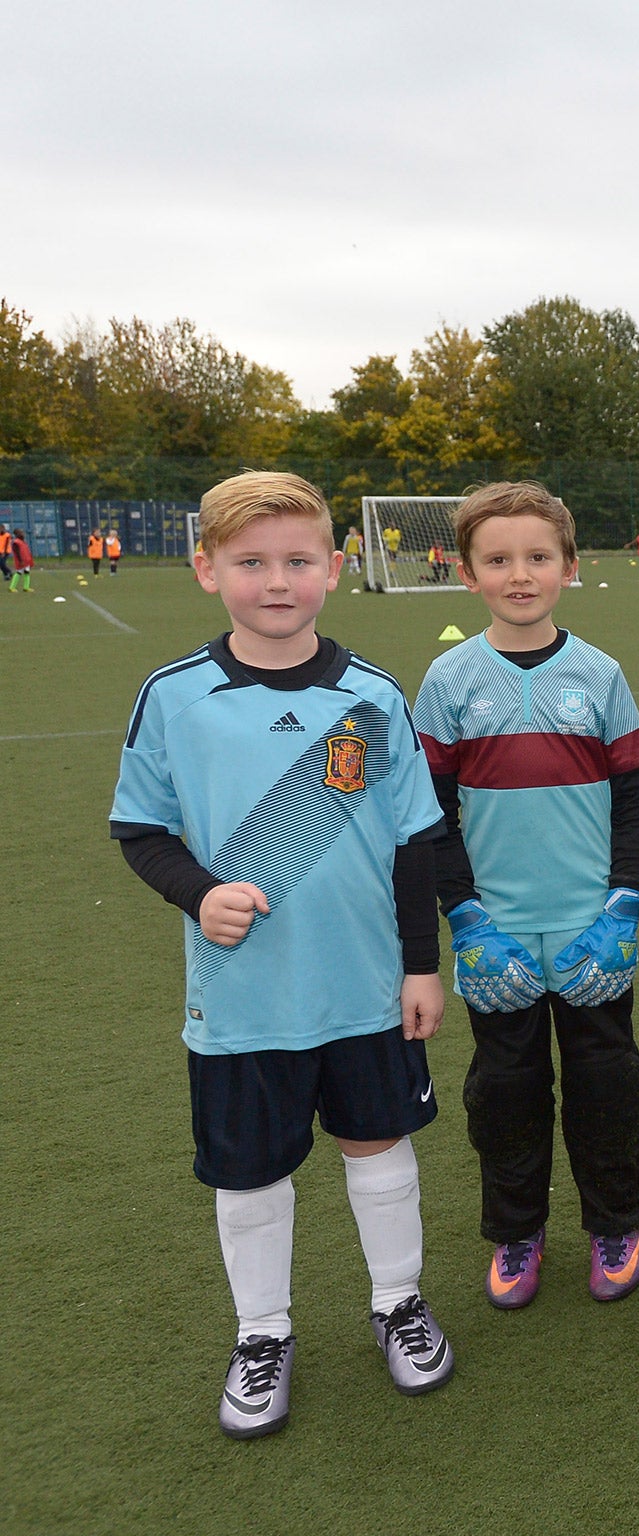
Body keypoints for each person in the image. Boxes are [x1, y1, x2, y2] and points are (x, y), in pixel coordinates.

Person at [108, 471, 453, 1440]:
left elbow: (413, 841)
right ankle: (262, 1332)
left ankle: (398, 1303)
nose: (276, 582)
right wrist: (199, 892)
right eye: (251, 563)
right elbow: (141, 830)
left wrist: (420, 967)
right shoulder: (176, 697)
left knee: (377, 1146)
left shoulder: (372, 696)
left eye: (297, 561)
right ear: (205, 569)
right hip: (243, 994)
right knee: (249, 1173)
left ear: (334, 570)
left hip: (365, 985)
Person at [412, 482, 639, 1309]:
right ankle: (517, 1231)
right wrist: (466, 919)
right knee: (505, 1092)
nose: (520, 575)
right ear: (469, 573)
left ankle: (615, 1222)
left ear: (569, 569)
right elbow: (430, 817)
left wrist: (624, 904)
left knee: (605, 1084)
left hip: (590, 932)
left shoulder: (601, 675)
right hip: (499, 939)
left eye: (538, 557)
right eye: (499, 560)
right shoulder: (447, 680)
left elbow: (631, 799)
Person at [8, 527, 34, 592]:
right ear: (16, 534)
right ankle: (12, 587)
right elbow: (16, 552)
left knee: (27, 572)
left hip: (26, 560)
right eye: (20, 532)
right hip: (21, 561)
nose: (23, 534)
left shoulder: (23, 541)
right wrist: (20, 560)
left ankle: (26, 587)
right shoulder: (16, 542)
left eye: (22, 532)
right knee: (18, 572)